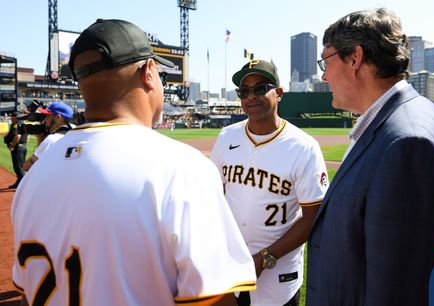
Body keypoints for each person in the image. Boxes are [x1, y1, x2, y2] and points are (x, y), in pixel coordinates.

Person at [12, 19, 255, 306]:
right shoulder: (182, 169)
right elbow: (215, 301)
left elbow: (27, 291)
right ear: (148, 73)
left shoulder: (34, 177)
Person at [306, 8, 434, 306]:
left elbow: (401, 290)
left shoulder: (407, 142)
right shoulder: (398, 120)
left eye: (325, 61)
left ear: (355, 58)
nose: (323, 74)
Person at [210, 59, 328, 306]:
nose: (251, 97)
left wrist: (265, 258)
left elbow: (312, 217)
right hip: (231, 266)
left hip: (278, 273)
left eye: (261, 88)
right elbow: (215, 198)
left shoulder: (304, 147)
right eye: (244, 91)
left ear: (279, 93)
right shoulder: (226, 137)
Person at [23, 101, 73, 171]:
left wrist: (39, 138)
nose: (44, 119)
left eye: (47, 116)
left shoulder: (52, 139)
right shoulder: (75, 134)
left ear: (58, 117)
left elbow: (27, 167)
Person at [4, 113, 28, 188]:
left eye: (12, 117)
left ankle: (23, 186)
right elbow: (28, 136)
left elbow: (18, 136)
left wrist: (12, 145)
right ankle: (18, 183)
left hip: (17, 148)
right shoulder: (23, 123)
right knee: (19, 166)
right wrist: (23, 145)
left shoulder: (17, 124)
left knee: (18, 167)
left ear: (15, 117)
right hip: (22, 147)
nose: (11, 118)